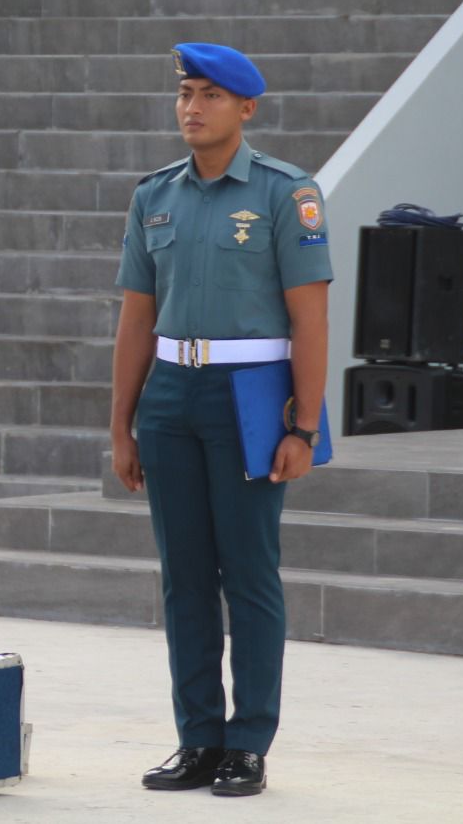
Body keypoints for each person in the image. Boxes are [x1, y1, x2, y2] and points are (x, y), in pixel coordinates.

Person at [111, 43, 332, 797]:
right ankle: (198, 737)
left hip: (250, 395)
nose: (192, 108)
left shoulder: (284, 194)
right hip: (172, 394)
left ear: (246, 109)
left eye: (209, 95)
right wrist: (122, 425)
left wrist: (302, 427)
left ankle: (248, 742)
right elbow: (136, 319)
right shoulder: (154, 197)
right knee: (183, 578)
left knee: (248, 572)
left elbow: (311, 319)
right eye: (184, 93)